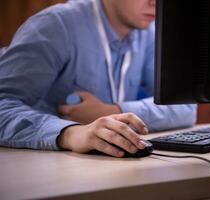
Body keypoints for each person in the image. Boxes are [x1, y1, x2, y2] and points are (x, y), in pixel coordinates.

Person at [0, 0, 196, 157]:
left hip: (107, 164)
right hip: (41, 165)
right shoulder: (55, 25)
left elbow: (186, 106)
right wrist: (70, 133)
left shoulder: (148, 33)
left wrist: (112, 111)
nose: (156, 3)